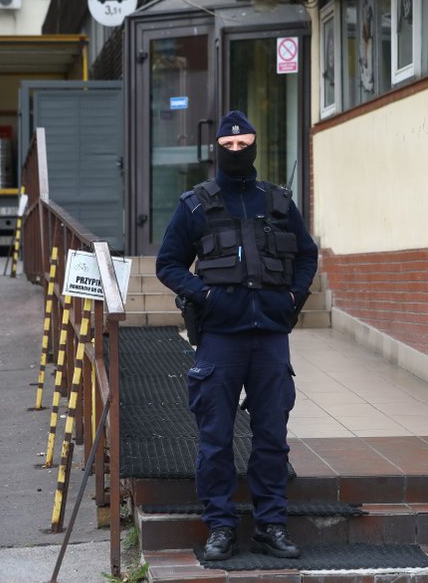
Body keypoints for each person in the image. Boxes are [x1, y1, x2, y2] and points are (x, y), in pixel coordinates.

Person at [156, 111, 318, 561]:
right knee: (216, 438)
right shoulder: (194, 204)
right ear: (217, 151)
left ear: (254, 146)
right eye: (227, 147)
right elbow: (167, 263)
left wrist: (291, 298)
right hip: (220, 340)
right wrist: (204, 295)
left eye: (242, 145)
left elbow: (307, 255)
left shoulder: (279, 202)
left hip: (269, 336)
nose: (235, 152)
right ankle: (221, 528)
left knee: (271, 436)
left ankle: (270, 525)